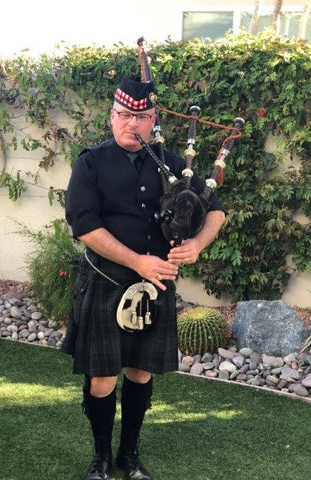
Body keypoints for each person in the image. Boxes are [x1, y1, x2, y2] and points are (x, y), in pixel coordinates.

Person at [61, 77, 225, 480]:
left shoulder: (174, 165)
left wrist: (198, 244)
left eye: (140, 117)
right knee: (102, 376)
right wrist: (138, 261)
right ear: (111, 116)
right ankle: (100, 457)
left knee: (140, 370)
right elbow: (82, 224)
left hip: (156, 285)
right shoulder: (91, 163)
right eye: (122, 115)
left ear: (154, 120)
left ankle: (128, 456)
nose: (130, 124)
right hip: (106, 279)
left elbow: (216, 210)